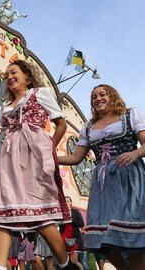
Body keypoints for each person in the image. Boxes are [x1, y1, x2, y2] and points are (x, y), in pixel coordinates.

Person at [0, 60, 79, 270]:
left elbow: (61, 123)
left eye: (14, 73)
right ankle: (0, 267)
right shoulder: (5, 107)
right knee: (3, 212)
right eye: (6, 75)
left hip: (35, 157)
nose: (9, 77)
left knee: (41, 219)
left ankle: (66, 265)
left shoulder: (40, 94)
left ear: (27, 76)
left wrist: (49, 149)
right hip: (10, 160)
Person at [58, 84, 145, 270]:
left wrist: (135, 154)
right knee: (104, 239)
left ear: (112, 96)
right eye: (94, 97)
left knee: (132, 237)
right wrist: (51, 159)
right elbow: (76, 157)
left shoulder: (129, 115)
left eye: (102, 94)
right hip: (104, 184)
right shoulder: (89, 127)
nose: (98, 99)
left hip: (129, 179)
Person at [60, 196, 84, 270]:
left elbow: (82, 224)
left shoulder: (75, 212)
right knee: (67, 263)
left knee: (74, 261)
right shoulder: (62, 214)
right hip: (65, 239)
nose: (66, 202)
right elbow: (61, 228)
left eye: (68, 201)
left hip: (75, 239)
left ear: (71, 203)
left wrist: (71, 220)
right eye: (65, 201)